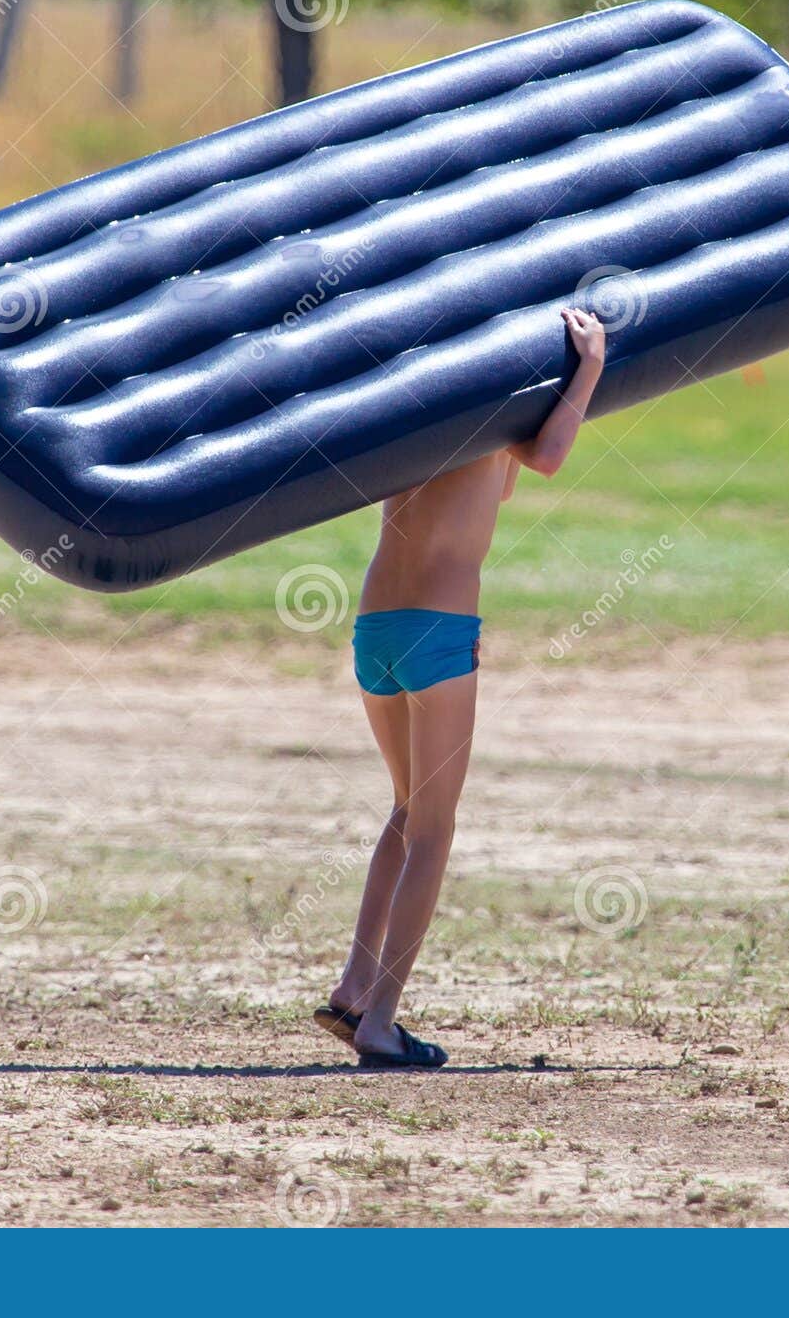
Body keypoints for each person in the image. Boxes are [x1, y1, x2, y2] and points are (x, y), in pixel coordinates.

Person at [313, 308, 606, 1068]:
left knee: (407, 810)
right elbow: (545, 459)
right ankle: (379, 1023)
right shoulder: (500, 404)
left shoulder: (415, 410)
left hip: (373, 627)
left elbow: (496, 484)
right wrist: (591, 368)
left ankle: (352, 985)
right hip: (439, 634)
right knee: (434, 829)